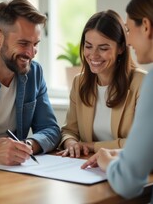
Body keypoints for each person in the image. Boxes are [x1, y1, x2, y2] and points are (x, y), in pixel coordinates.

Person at [0, 0, 61, 165]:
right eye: (24, 43)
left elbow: (51, 129)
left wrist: (27, 146)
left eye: (35, 44)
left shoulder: (35, 73)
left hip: (14, 174)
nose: (31, 53)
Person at [81, 0, 153, 202]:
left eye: (129, 30)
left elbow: (128, 181)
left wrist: (107, 161)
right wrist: (119, 154)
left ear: (147, 27)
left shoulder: (148, 82)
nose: (129, 40)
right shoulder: (81, 83)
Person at [57, 9, 146, 158]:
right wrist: (71, 143)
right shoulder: (79, 82)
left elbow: (141, 142)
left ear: (121, 48)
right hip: (86, 165)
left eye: (103, 48)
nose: (93, 55)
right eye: (88, 46)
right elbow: (69, 131)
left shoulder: (142, 83)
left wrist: (91, 146)